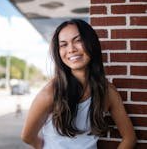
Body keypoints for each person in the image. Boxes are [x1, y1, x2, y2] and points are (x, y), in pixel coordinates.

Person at [21, 19, 137, 149]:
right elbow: (27, 136)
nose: (71, 49)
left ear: (91, 43)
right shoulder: (50, 93)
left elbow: (130, 138)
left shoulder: (107, 91)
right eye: (63, 45)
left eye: (78, 40)